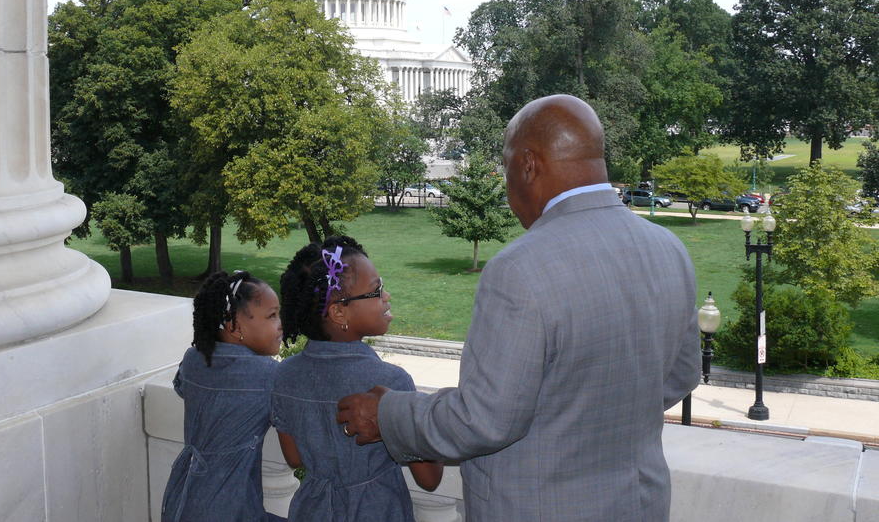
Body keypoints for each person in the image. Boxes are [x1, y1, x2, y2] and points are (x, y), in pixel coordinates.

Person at [337, 95, 700, 521]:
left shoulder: (520, 269)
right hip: (640, 505)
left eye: (506, 168)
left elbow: (484, 420)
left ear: (528, 164)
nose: (507, 186)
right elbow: (680, 376)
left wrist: (389, 414)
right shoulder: (669, 249)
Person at [272, 236, 442, 521]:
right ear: (339, 313)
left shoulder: (285, 375)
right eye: (376, 291)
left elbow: (295, 458)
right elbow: (429, 478)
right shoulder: (391, 382)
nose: (386, 297)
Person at [161, 270, 285, 522]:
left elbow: (181, 387)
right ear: (233, 325)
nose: (281, 324)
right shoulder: (269, 375)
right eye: (272, 316)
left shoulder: (193, 359)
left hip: (181, 498)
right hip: (231, 507)